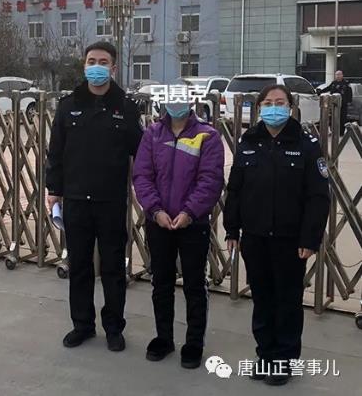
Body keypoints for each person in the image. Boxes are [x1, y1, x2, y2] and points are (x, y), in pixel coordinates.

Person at [224, 84, 330, 386]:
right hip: (254, 237)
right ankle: (265, 356)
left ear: (290, 107)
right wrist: (232, 229)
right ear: (259, 108)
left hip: (290, 240)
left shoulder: (307, 145)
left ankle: (284, 360)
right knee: (262, 299)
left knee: (287, 301)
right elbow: (235, 190)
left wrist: (310, 238)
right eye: (268, 103)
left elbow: (318, 197)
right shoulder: (248, 142)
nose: (274, 108)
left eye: (280, 102)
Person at [46, 41, 142, 352]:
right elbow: (56, 152)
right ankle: (82, 325)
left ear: (113, 68)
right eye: (91, 61)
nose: (96, 67)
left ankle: (114, 328)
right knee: (80, 266)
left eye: (103, 62)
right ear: (84, 65)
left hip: (110, 201)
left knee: (113, 268)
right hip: (75, 200)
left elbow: (141, 153)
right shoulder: (68, 105)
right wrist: (54, 190)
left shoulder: (126, 107)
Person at [132, 96, 224, 369]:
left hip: (193, 223)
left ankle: (194, 342)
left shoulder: (208, 135)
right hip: (158, 222)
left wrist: (189, 212)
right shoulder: (152, 134)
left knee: (195, 284)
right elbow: (142, 176)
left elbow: (211, 180)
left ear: (191, 101)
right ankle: (164, 337)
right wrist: (155, 210)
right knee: (161, 282)